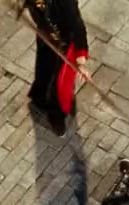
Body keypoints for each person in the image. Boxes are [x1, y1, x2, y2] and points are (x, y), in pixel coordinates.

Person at [22, 0, 90, 136]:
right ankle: (39, 96)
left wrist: (81, 60)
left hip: (64, 43)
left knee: (59, 82)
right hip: (46, 35)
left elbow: (76, 24)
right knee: (44, 68)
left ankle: (56, 114)